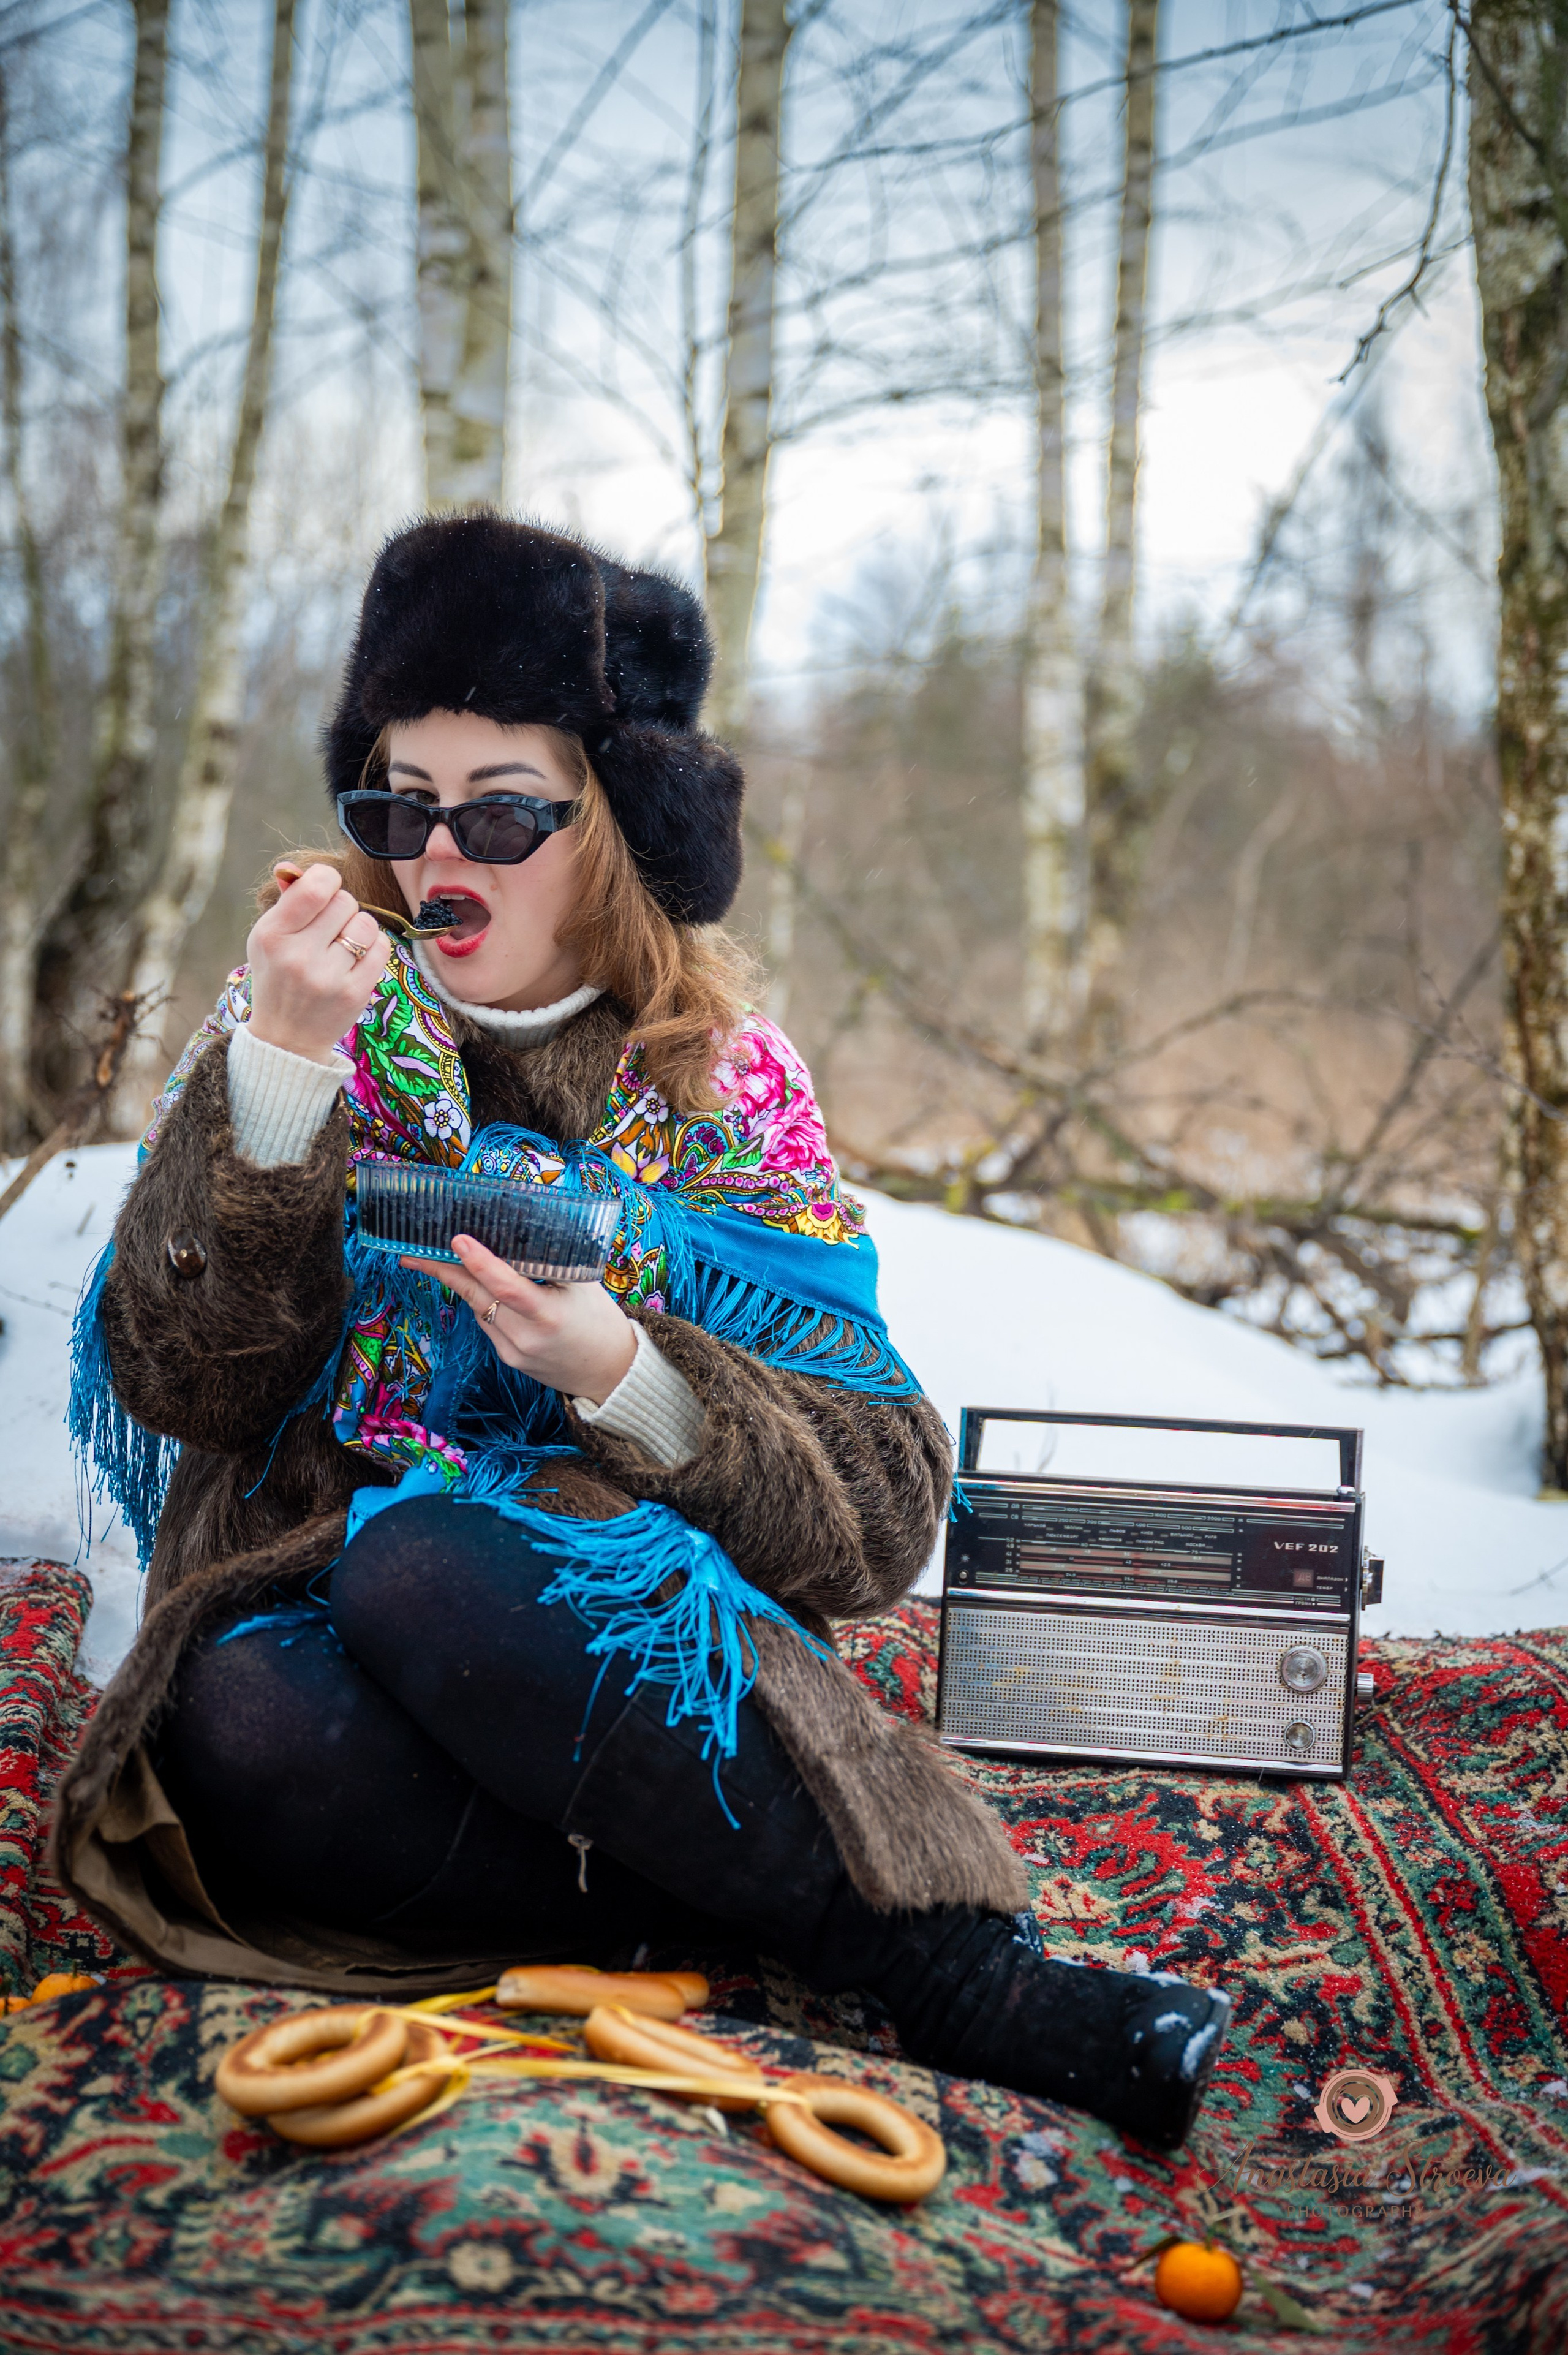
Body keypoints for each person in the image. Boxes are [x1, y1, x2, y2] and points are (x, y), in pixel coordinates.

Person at [55, 513, 1229, 2149]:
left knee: (440, 1556)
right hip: (341, 1657)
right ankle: (700, 1891)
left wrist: (627, 1375)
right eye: (397, 804)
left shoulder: (721, 1083)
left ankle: (951, 1963)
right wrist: (274, 1088)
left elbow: (885, 1509)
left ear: (612, 826)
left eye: (503, 812)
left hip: (590, 1621)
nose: (436, 857)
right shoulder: (292, 1015)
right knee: (234, 1717)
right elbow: (178, 1382)